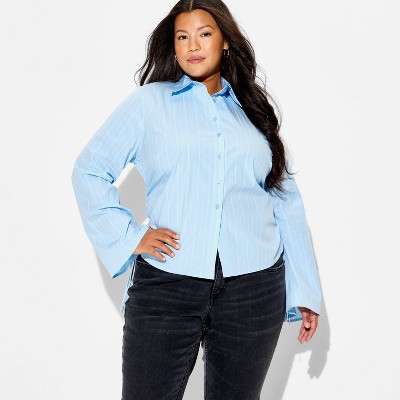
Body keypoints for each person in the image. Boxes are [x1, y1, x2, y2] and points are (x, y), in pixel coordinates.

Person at [71, 1, 322, 399]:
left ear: (225, 41)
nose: (193, 46)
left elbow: (285, 199)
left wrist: (305, 291)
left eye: (204, 34)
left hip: (254, 288)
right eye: (182, 37)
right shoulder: (149, 103)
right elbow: (89, 170)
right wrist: (130, 236)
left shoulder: (253, 111)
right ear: (172, 47)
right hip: (167, 284)